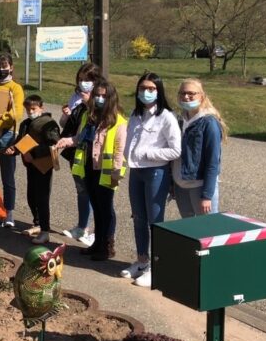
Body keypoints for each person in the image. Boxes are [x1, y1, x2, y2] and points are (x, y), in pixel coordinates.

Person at [56, 78, 127, 261]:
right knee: (96, 206)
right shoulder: (89, 116)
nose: (100, 99)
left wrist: (116, 172)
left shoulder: (118, 121)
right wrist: (67, 141)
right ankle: (97, 242)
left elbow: (119, 149)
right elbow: (80, 137)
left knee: (106, 208)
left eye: (104, 96)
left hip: (106, 170)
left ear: (111, 98)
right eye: (97, 95)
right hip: (89, 166)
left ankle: (107, 245)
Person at [122, 73, 181, 288]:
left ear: (158, 91)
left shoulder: (166, 117)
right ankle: (141, 260)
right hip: (136, 172)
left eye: (151, 89)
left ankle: (157, 267)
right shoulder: (135, 114)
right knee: (138, 217)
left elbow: (175, 150)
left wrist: (149, 154)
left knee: (155, 221)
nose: (146, 93)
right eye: (142, 88)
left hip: (156, 172)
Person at [6, 95, 60, 244]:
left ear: (41, 108)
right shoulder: (25, 123)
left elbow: (54, 144)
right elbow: (20, 142)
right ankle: (37, 223)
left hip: (43, 165)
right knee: (32, 196)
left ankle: (45, 231)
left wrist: (32, 152)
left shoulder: (48, 124)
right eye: (28, 109)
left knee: (42, 198)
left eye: (33, 109)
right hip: (30, 165)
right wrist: (14, 149)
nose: (30, 112)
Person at [58, 63, 101, 247]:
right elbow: (64, 123)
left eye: (88, 80)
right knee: (81, 190)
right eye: (81, 79)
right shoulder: (75, 96)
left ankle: (96, 232)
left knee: (94, 192)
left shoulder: (99, 98)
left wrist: (87, 102)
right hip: (75, 149)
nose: (84, 83)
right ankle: (81, 226)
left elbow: (99, 121)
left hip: (91, 150)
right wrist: (66, 114)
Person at [172, 78, 227, 218]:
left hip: (199, 186)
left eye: (191, 93)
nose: (186, 97)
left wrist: (207, 196)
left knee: (207, 231)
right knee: (190, 231)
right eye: (182, 93)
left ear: (201, 96)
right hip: (181, 185)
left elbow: (213, 162)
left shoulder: (209, 123)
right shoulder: (178, 121)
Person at [0, 53, 24, 228]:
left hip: (7, 136)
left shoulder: (15, 88)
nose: (2, 70)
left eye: (5, 67)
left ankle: (9, 211)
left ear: (11, 67)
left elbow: (16, 113)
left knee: (8, 177)